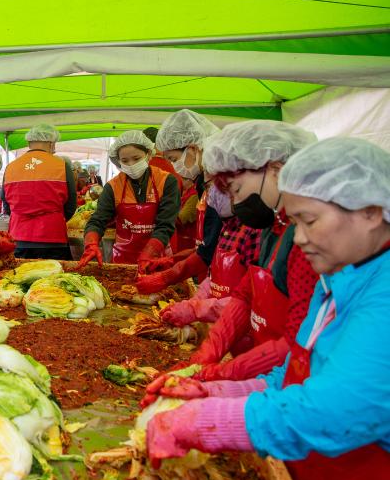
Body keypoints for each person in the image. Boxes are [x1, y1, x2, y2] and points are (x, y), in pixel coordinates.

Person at [144, 137, 390, 480]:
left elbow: (331, 412)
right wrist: (216, 392)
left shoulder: (382, 296)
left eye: (310, 221)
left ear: (371, 211)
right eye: (295, 222)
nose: (300, 238)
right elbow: (298, 372)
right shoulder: (339, 278)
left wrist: (211, 421)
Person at [146, 120, 319, 386]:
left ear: (275, 170)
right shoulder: (275, 225)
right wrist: (213, 348)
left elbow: (299, 339)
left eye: (236, 190)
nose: (235, 204)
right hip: (265, 368)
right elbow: (246, 292)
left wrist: (226, 372)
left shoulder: (308, 240)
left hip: (291, 380)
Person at [157, 185, 262, 339]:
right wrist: (194, 301)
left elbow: (251, 299)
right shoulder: (227, 227)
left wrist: (196, 309)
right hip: (218, 327)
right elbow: (213, 278)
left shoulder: (256, 232)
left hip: (243, 333)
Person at [135, 109, 223, 291]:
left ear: (192, 148)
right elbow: (207, 244)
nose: (174, 167)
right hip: (210, 275)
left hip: (222, 277)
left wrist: (167, 277)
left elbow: (211, 250)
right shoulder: (203, 182)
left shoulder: (219, 185)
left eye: (173, 159)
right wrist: (172, 260)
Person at [77, 130, 180, 269]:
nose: (131, 164)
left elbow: (166, 224)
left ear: (148, 154)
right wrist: (91, 244)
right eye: (125, 161)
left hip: (157, 258)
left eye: (136, 158)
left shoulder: (166, 181)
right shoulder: (112, 187)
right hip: (123, 260)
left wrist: (150, 252)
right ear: (118, 161)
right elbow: (98, 220)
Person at [2, 124, 76, 260]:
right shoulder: (61, 166)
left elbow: (6, 206)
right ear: (51, 143)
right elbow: (71, 206)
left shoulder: (10, 167)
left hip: (19, 237)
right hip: (53, 236)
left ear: (29, 142)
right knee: (54, 279)